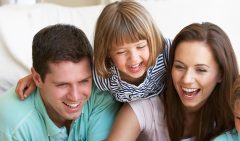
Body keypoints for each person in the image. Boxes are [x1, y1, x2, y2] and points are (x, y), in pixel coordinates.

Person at [40, 22, 239, 141]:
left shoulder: (237, 114)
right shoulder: (144, 107)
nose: (187, 79)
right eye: (179, 67)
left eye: (201, 70)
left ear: (220, 73)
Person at [0, 24, 119, 141]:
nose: (75, 96)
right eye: (62, 85)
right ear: (37, 78)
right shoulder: (14, 119)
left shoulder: (101, 95)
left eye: (84, 81)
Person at [16, 0, 171, 102]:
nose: (134, 58)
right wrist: (34, 78)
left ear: (151, 40)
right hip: (131, 116)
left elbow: (191, 56)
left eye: (140, 46)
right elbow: (71, 72)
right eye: (122, 52)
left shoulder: (165, 53)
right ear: (108, 52)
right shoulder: (102, 74)